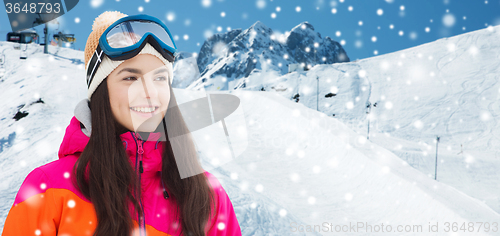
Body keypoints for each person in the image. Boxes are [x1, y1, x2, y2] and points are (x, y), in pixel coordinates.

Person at [2, 11, 242, 236]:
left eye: (159, 78)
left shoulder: (206, 195)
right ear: (100, 90)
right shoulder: (48, 189)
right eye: (130, 77)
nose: (149, 92)